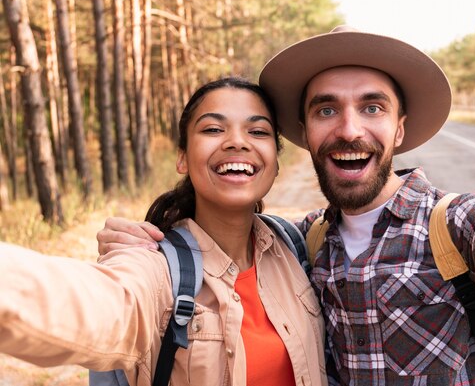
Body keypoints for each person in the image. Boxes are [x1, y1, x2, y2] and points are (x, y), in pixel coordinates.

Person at [98, 27, 475, 386]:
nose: (349, 129)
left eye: (371, 107)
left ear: (398, 129)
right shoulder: (300, 245)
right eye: (327, 109)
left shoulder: (458, 224)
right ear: (306, 133)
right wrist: (156, 243)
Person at [0, 77, 328, 386]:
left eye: (257, 132)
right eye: (214, 129)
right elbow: (96, 305)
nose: (237, 142)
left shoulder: (295, 246)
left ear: (276, 160)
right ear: (182, 157)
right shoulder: (156, 268)